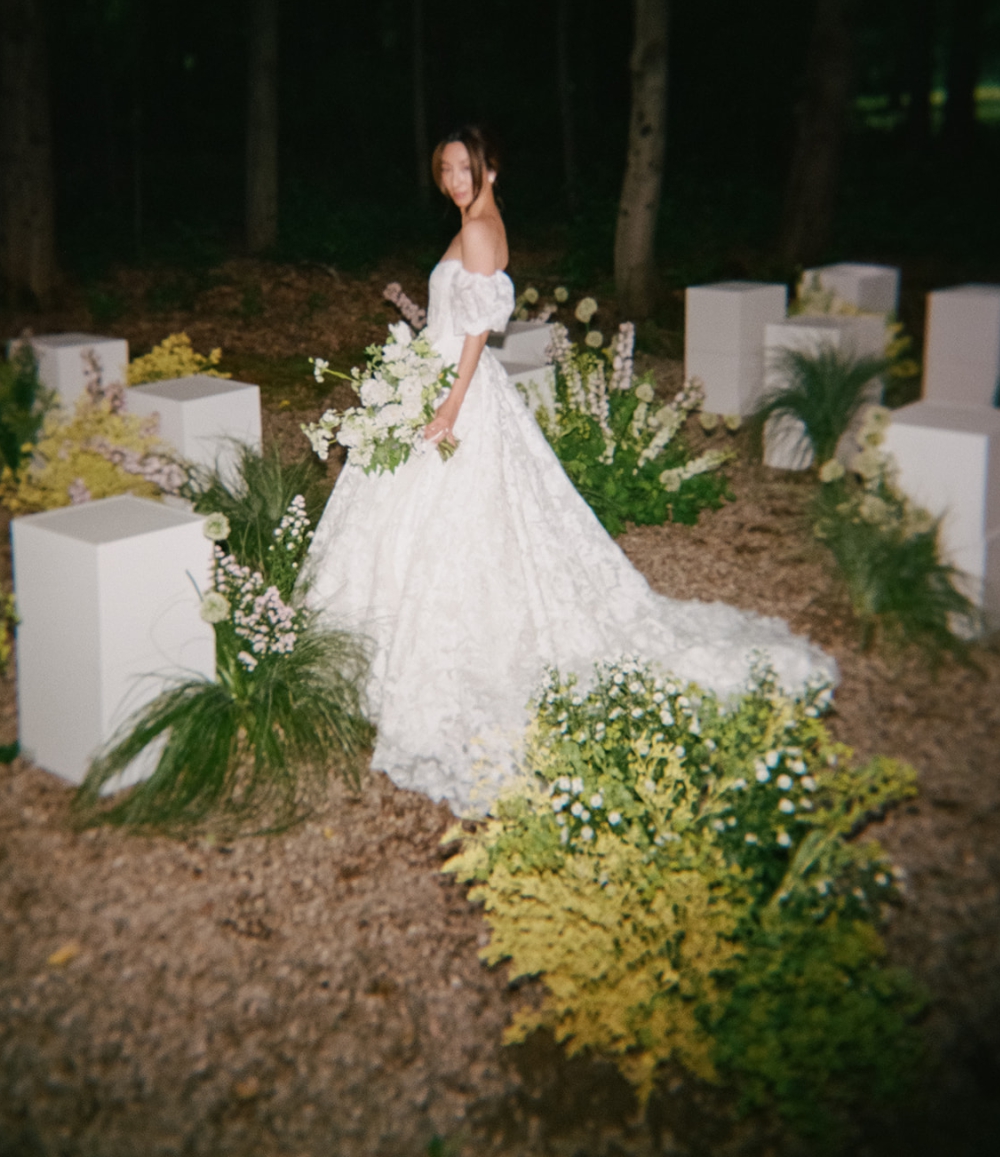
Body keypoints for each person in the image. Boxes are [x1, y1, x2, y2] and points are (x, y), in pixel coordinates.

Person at [303, 126, 833, 814]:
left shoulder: (481, 232)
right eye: (446, 169)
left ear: (491, 165)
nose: (454, 178)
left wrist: (448, 404)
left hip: (453, 393)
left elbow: (472, 335)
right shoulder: (478, 222)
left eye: (465, 166)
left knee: (455, 528)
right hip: (435, 382)